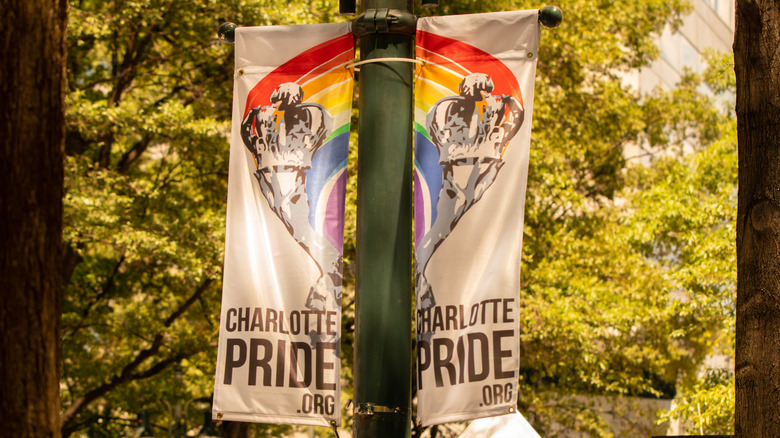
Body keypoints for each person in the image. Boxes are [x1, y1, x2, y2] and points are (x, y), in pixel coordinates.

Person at [416, 73, 524, 309]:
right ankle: (425, 276)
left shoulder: (458, 106)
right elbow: (516, 110)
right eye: (483, 88)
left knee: (457, 228)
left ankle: (432, 279)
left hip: (479, 169)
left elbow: (516, 112)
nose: (485, 93)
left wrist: (503, 129)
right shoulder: (453, 107)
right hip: (465, 171)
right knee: (446, 228)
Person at [240, 83, 342, 314]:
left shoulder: (306, 112)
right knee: (287, 227)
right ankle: (326, 276)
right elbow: (246, 131)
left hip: (284, 171)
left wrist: (306, 151)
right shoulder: (265, 113)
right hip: (270, 171)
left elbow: (325, 123)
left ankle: (329, 270)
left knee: (297, 228)